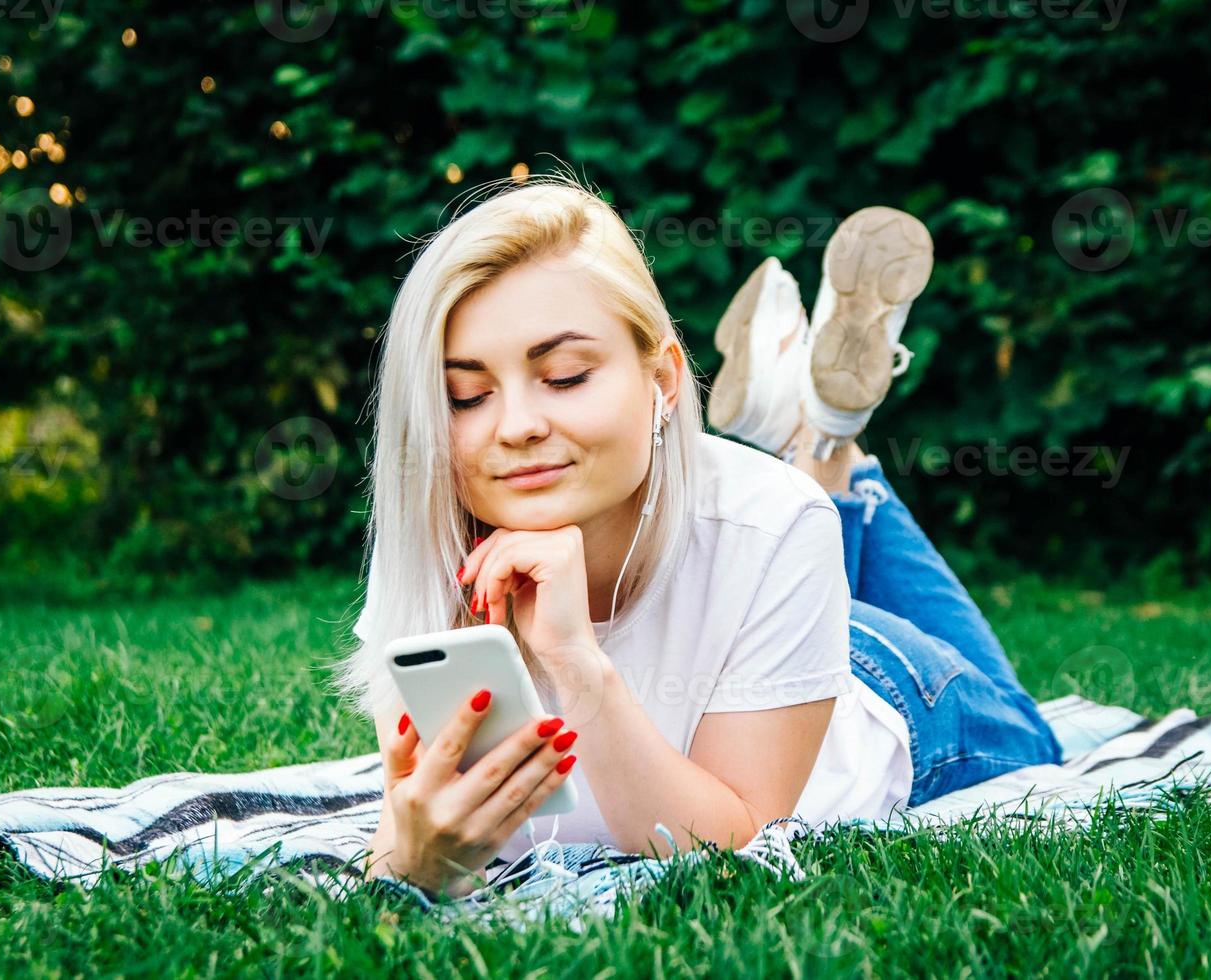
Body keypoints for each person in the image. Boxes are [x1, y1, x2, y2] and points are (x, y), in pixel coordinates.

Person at [335, 174, 1061, 901]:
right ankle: (812, 434)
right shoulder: (426, 539)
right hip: (767, 603)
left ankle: (829, 446)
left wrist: (578, 665)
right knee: (781, 516)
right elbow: (407, 844)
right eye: (466, 395)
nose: (516, 425)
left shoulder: (775, 524)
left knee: (1036, 739)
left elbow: (727, 849)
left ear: (665, 380)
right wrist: (411, 862)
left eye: (563, 376)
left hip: (878, 683)